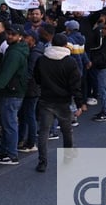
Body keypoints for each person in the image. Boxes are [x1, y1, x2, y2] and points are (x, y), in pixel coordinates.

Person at [33, 34, 86, 173]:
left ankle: (42, 162)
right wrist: (80, 103)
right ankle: (68, 157)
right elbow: (76, 85)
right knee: (67, 131)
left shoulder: (42, 60)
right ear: (65, 45)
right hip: (63, 101)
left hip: (46, 99)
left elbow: (37, 78)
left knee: (44, 132)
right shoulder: (70, 62)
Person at [0, 27, 28, 166]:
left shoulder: (15, 53)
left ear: (20, 36)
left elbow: (6, 74)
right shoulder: (15, 49)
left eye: (13, 34)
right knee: (7, 123)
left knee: (9, 124)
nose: (9, 36)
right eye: (8, 34)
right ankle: (4, 150)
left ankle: (11, 154)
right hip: (13, 91)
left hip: (11, 92)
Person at [88, 21, 106, 122]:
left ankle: (105, 112)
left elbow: (103, 56)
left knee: (104, 91)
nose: (103, 30)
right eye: (103, 28)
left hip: (105, 68)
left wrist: (93, 62)